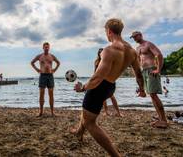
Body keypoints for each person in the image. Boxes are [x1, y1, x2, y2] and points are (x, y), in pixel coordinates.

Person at [71, 18, 145, 157]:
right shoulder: (132, 51)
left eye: (106, 32)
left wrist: (83, 87)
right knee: (87, 112)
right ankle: (79, 132)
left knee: (90, 123)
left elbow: (98, 77)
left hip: (100, 86)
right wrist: (142, 89)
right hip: (111, 86)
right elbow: (139, 74)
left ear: (109, 31)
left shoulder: (109, 50)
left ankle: (115, 155)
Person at [130, 31, 168, 128]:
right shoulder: (137, 48)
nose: (134, 39)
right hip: (144, 71)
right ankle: (160, 119)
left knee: (153, 95)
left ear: (140, 35)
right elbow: (138, 61)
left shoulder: (148, 44)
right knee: (151, 95)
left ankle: (164, 120)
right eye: (133, 37)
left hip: (152, 70)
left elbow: (159, 55)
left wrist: (158, 69)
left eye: (135, 36)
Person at [30, 42, 60, 116]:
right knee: (41, 94)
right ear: (43, 48)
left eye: (47, 47)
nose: (46, 48)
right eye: (45, 47)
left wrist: (54, 70)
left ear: (49, 48)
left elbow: (58, 63)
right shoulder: (40, 56)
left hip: (50, 76)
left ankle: (52, 112)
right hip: (42, 75)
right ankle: (41, 112)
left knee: (51, 94)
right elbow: (32, 62)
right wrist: (37, 69)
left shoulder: (52, 56)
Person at [94, 48, 122, 117]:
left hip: (108, 80)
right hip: (100, 81)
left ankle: (118, 112)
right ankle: (106, 112)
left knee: (112, 96)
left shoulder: (108, 60)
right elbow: (95, 72)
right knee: (103, 98)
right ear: (98, 54)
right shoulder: (96, 62)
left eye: (102, 52)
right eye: (99, 52)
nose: (101, 53)